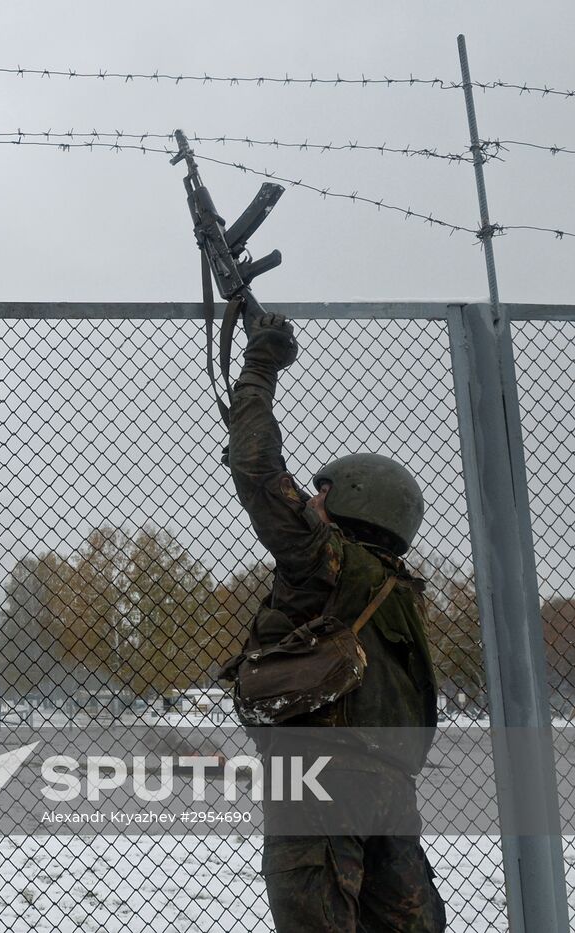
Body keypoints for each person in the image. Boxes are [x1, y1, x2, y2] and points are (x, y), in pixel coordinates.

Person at [226, 313, 445, 930]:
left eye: (321, 493)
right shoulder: (400, 592)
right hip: (390, 793)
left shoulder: (327, 562)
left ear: (350, 502)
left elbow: (258, 473)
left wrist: (260, 369)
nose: (311, 501)